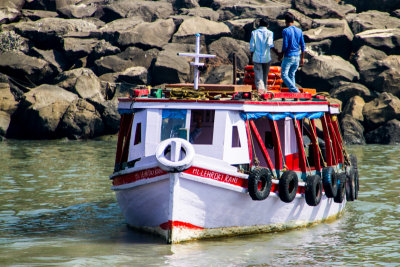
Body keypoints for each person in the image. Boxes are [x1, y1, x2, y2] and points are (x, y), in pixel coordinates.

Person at [249, 18, 278, 93]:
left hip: (257, 57)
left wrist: (251, 56)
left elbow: (252, 46)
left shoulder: (254, 33)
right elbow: (270, 44)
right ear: (267, 25)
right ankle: (264, 90)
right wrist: (277, 53)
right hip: (266, 57)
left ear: (259, 25)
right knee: (265, 76)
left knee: (259, 76)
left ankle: (261, 92)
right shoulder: (270, 33)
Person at [278, 13, 305, 93]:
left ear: (285, 22)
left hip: (289, 56)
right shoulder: (299, 31)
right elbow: (303, 45)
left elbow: (285, 45)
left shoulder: (285, 31)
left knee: (283, 75)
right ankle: (293, 94)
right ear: (293, 21)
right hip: (297, 57)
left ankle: (295, 90)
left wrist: (281, 54)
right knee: (291, 75)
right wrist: (302, 58)